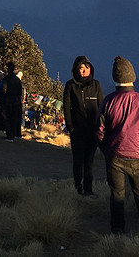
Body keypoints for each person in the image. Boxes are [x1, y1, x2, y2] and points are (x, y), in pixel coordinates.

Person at [97, 56, 139, 236]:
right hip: (138, 156)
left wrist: (105, 148)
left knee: (117, 195)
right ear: (133, 76)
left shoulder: (108, 101)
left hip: (114, 155)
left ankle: (117, 230)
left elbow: (99, 130)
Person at [63, 55, 104, 196]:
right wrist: (70, 127)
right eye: (81, 68)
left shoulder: (96, 85)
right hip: (77, 130)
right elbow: (66, 107)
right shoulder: (70, 86)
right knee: (78, 160)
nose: (84, 71)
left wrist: (101, 127)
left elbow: (101, 107)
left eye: (86, 67)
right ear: (75, 69)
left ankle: (88, 189)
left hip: (92, 130)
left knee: (89, 161)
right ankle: (77, 188)